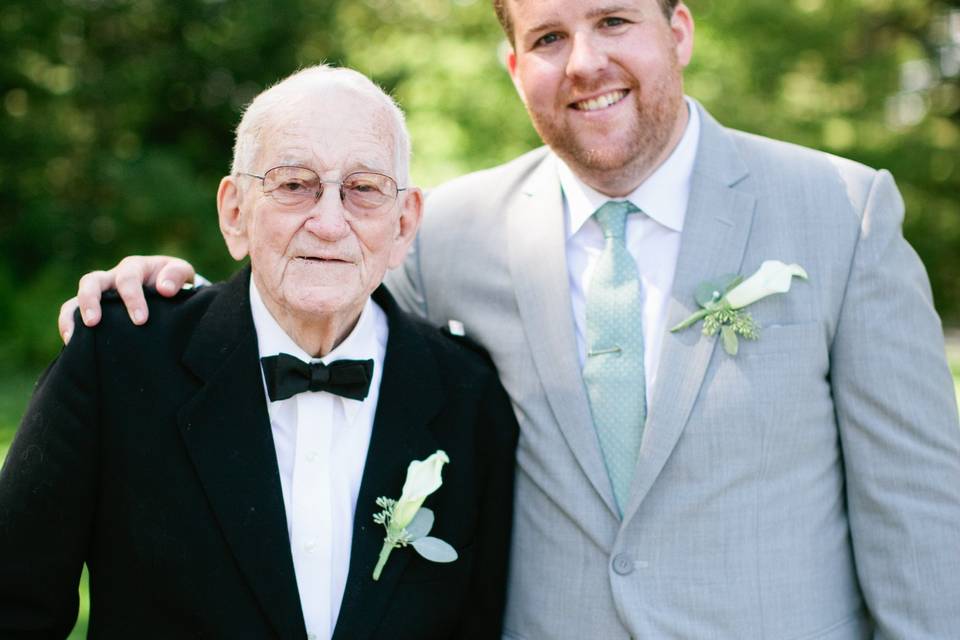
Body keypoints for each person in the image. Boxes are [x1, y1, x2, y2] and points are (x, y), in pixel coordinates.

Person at [57, 1, 960, 638]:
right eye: (548, 36)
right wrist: (175, 294)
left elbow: (919, 517)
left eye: (614, 21)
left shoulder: (842, 212)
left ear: (678, 31)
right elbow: (309, 300)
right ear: (514, 64)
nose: (585, 63)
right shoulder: (446, 231)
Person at [1, 65, 518, 639]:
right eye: (294, 184)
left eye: (363, 189)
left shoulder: (469, 396)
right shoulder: (119, 360)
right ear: (235, 212)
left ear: (403, 223)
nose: (328, 223)